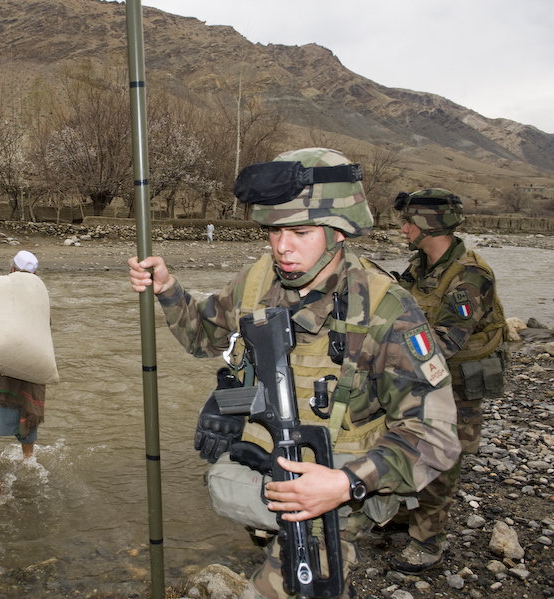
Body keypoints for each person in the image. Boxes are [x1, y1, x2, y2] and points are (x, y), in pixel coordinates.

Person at [128, 148, 460, 599]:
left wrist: (346, 482)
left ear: (338, 233)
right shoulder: (258, 280)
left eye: (301, 232)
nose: (283, 246)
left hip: (334, 497)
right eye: (274, 231)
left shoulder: (386, 311)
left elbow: (437, 434)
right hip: (268, 469)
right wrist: (168, 290)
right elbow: (203, 335)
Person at [388, 188, 507, 572]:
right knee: (406, 444)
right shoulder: (421, 265)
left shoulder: (470, 277)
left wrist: (383, 356)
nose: (403, 228)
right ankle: (406, 517)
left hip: (455, 383)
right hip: (423, 378)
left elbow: (445, 342)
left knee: (441, 459)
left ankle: (429, 544)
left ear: (431, 226)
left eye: (409, 222)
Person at [0, 250, 55, 497]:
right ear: (35, 274)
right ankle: (28, 462)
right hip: (29, 374)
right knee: (27, 423)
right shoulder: (40, 297)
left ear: (11, 269)